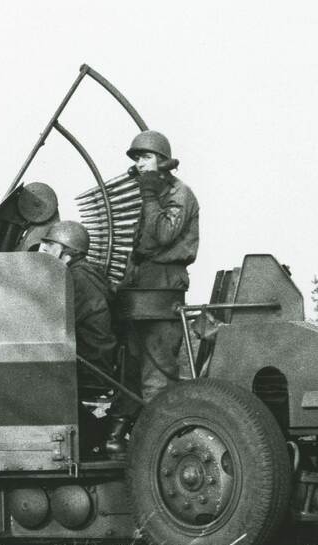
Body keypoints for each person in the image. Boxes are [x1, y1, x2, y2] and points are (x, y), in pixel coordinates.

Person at [108, 130, 200, 451]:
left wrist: (149, 196)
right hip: (142, 292)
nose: (140, 164)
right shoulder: (156, 193)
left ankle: (164, 447)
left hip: (163, 293)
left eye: (145, 157)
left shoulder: (179, 193)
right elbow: (141, 247)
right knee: (131, 370)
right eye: (137, 159)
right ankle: (118, 436)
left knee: (157, 375)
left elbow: (161, 235)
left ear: (161, 160)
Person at [39, 220, 116, 388]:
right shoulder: (78, 273)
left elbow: (54, 323)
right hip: (88, 360)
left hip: (90, 367)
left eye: (51, 244)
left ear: (67, 250)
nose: (44, 248)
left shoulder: (78, 278)